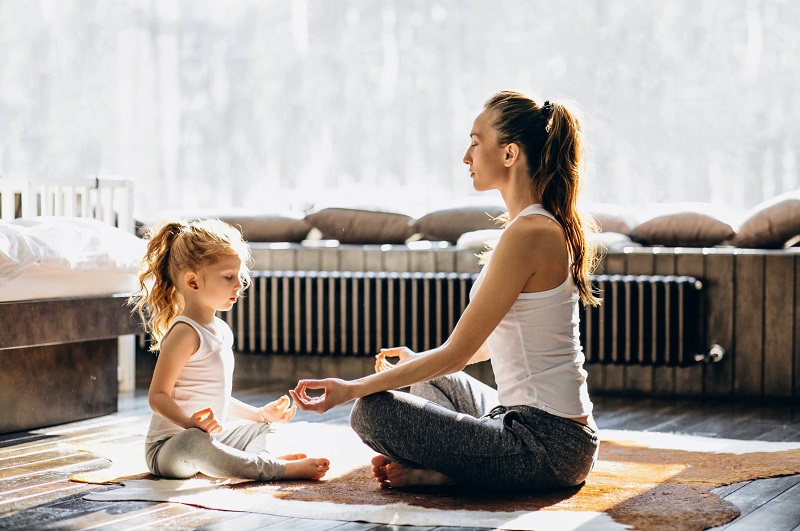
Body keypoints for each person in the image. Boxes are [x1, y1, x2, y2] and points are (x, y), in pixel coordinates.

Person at [290, 90, 601, 491]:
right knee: (431, 381)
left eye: (475, 142)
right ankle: (461, 466)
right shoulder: (530, 227)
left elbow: (454, 354)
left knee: (371, 411)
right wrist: (417, 362)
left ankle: (450, 472)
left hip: (547, 445)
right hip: (522, 421)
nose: (466, 157)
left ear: (509, 154)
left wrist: (350, 389)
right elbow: (489, 346)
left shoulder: (531, 232)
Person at [130, 219, 329, 482]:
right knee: (195, 442)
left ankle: (254, 461)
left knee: (264, 428)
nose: (240, 284)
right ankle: (274, 469)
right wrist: (190, 423)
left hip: (208, 436)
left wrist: (259, 414)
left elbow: (218, 397)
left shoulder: (222, 330)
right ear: (193, 282)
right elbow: (157, 396)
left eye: (239, 275)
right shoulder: (184, 333)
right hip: (170, 448)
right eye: (228, 277)